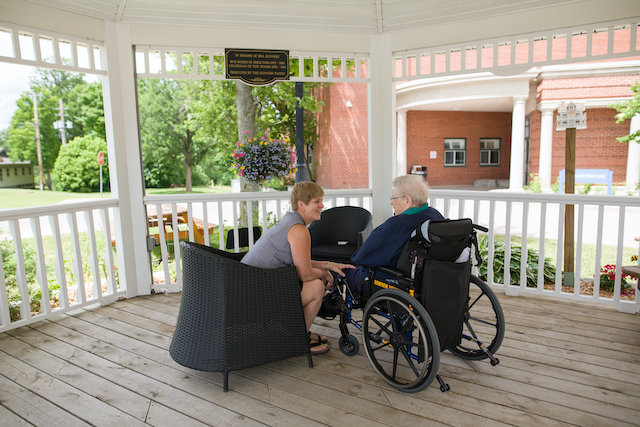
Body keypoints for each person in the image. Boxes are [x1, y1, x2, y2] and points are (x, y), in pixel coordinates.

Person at [241, 181, 353, 355]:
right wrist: (325, 273)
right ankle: (298, 340)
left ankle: (298, 333)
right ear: (301, 205)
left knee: (312, 283)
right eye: (317, 201)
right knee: (316, 286)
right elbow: (305, 273)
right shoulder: (299, 230)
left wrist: (327, 264)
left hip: (251, 288)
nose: (322, 205)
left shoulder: (291, 222)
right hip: (255, 299)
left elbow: (300, 261)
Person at [343, 174, 445, 286]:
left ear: (407, 200)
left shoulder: (397, 224)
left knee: (343, 274)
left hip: (394, 280)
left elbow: (363, 256)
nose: (391, 203)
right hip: (428, 281)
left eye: (393, 198)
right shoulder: (435, 215)